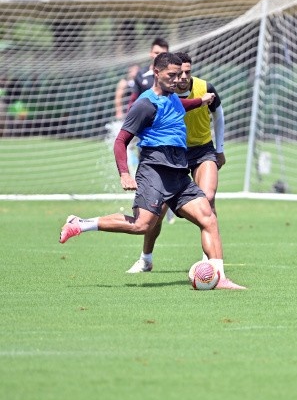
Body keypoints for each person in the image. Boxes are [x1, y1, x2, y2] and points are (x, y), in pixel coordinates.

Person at [59, 52, 245, 290]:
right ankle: (80, 223)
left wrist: (201, 101)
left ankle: (219, 277)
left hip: (178, 173)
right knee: (142, 225)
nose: (178, 80)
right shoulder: (144, 105)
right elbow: (121, 141)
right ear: (156, 73)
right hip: (154, 171)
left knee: (208, 217)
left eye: (180, 75)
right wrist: (124, 173)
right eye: (172, 75)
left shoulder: (172, 97)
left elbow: (181, 105)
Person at [127, 52, 226, 273]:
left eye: (187, 72)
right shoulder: (163, 92)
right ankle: (146, 258)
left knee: (207, 199)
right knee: (156, 214)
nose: (183, 77)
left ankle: (210, 263)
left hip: (202, 150)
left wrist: (219, 149)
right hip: (170, 157)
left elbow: (218, 113)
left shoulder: (204, 86)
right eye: (179, 72)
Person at [130, 37, 176, 223]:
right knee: (147, 163)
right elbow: (134, 100)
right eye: (157, 53)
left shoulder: (172, 76)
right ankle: (148, 202)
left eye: (163, 53)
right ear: (151, 53)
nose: (159, 56)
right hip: (146, 131)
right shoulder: (142, 76)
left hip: (167, 132)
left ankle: (170, 202)